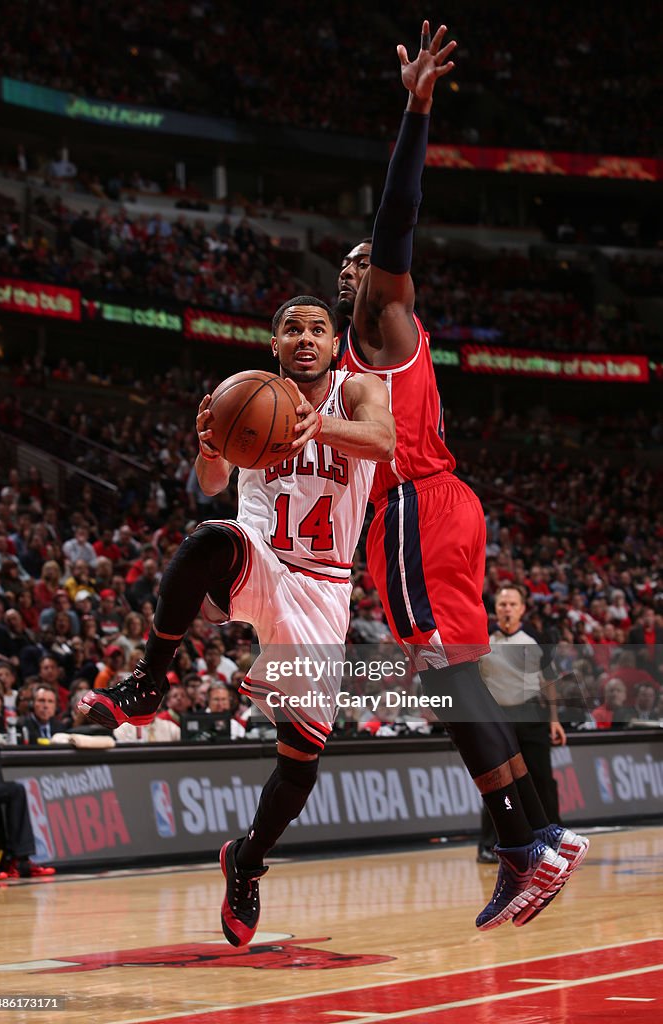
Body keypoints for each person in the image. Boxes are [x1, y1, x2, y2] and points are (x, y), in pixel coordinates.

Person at [336, 20, 588, 929]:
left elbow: (394, 214)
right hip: (438, 508)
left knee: (445, 685)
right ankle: (538, 842)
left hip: (417, 506)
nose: (364, 263)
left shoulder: (380, 315)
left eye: (368, 261)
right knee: (463, 685)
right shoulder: (353, 365)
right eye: (354, 264)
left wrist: (414, 110)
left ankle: (522, 845)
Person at [79, 294, 394, 946]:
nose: (304, 338)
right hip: (263, 557)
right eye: (290, 329)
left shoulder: (357, 388)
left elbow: (384, 441)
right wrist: (210, 447)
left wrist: (317, 428)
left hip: (325, 586)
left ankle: (245, 862)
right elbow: (212, 484)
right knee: (206, 538)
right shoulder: (244, 393)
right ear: (273, 344)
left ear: (334, 343)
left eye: (316, 329)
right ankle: (148, 679)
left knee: (301, 761)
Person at [476, 585, 567, 863]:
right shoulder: (483, 639)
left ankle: (553, 839)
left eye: (513, 604)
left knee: (541, 780)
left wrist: (554, 720)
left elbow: (550, 682)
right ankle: (490, 845)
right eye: (503, 604)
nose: (507, 609)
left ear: (522, 609)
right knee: (497, 784)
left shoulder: (534, 639)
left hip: (530, 717)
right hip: (497, 719)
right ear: (496, 609)